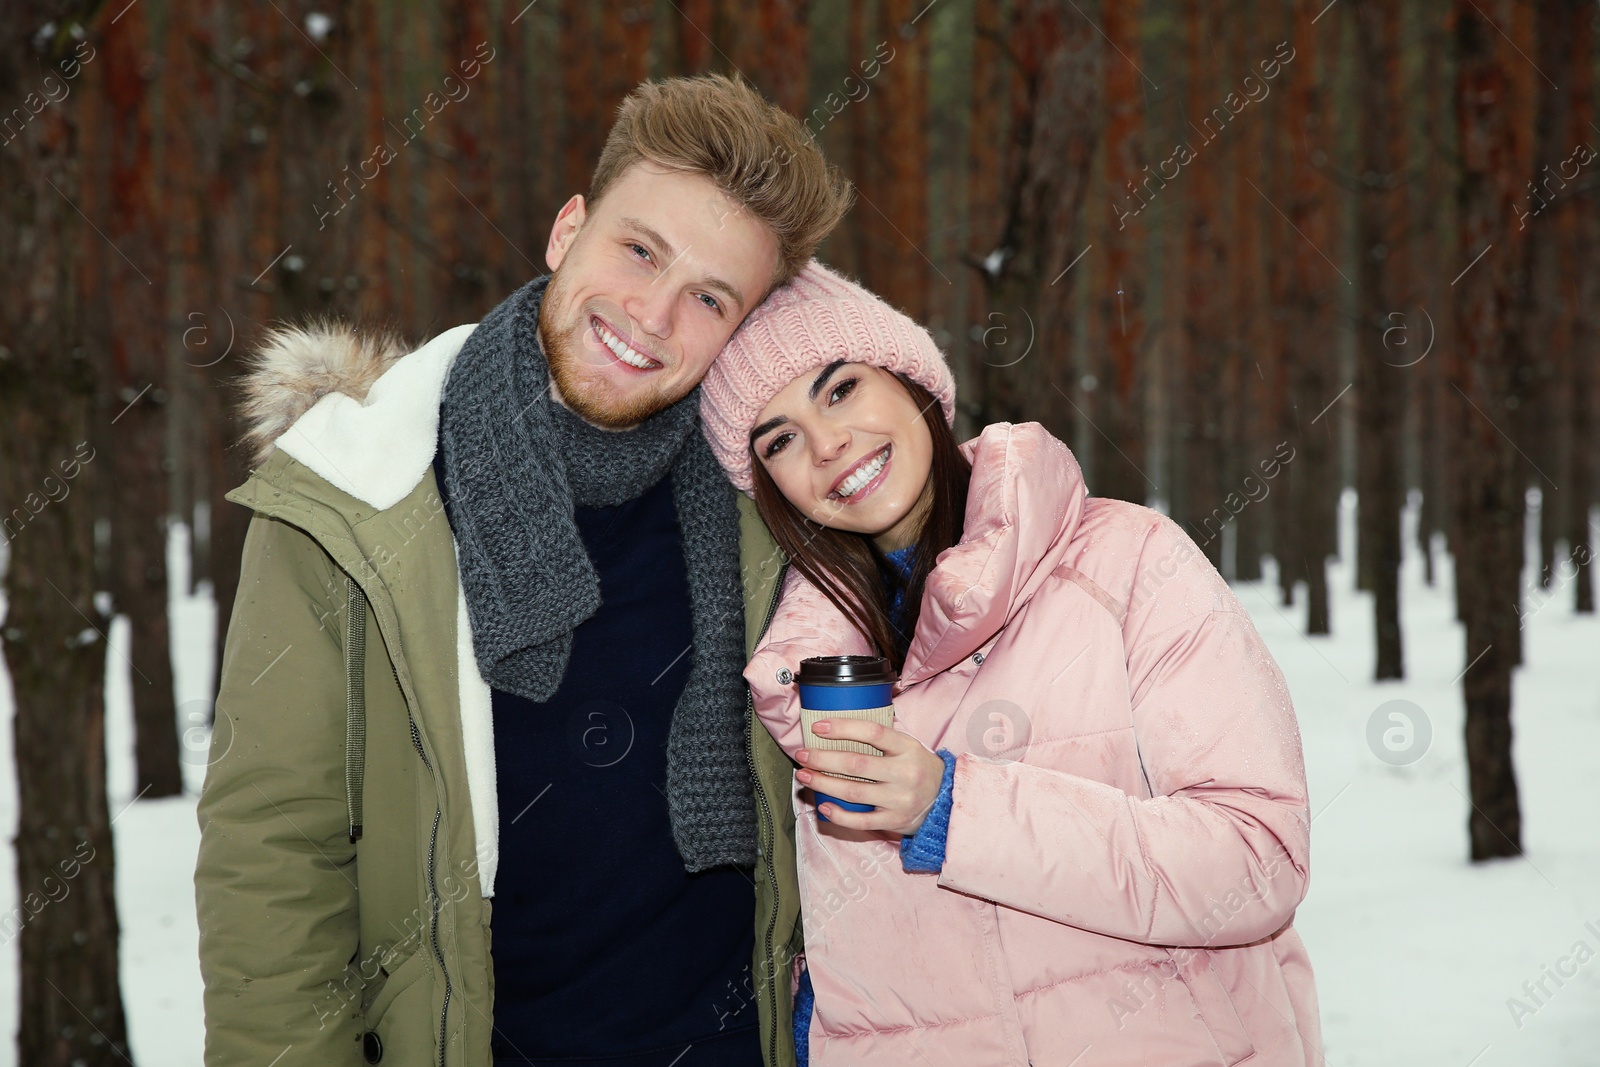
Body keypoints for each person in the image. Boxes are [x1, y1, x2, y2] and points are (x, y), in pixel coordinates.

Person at [195, 75, 851, 1067]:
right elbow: (272, 858)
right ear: (566, 230)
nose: (652, 315)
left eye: (709, 296)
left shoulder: (776, 514)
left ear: (744, 327)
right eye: (639, 250)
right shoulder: (357, 496)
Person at [697, 263, 1323, 1066]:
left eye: (840, 389)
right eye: (778, 439)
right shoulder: (801, 676)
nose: (827, 444)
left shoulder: (1129, 561)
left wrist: (956, 807)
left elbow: (1258, 854)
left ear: (910, 378)